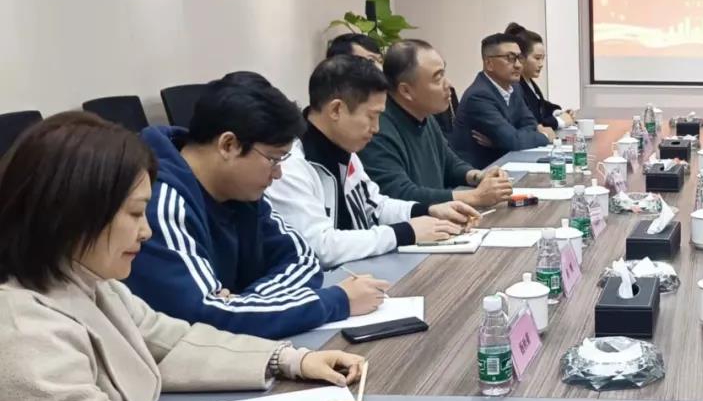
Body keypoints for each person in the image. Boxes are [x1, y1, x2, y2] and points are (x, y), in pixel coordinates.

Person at [0, 113, 374, 401]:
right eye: (134, 213)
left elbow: (171, 343)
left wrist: (289, 359)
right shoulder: (22, 330)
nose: (146, 231)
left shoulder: (90, 283)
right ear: (73, 212)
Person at [126, 72, 389, 340]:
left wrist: (243, 305)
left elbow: (304, 260)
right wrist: (336, 301)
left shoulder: (242, 191)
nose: (278, 174)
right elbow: (203, 320)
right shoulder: (160, 202)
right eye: (273, 159)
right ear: (228, 145)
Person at [266, 55, 479, 269]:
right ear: (336, 110)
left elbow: (375, 206)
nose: (376, 128)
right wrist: (404, 232)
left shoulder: (345, 150)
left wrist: (428, 210)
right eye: (372, 116)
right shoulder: (289, 166)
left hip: (360, 272)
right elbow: (320, 247)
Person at [361, 39, 514, 206]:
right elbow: (400, 194)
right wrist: (474, 197)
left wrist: (478, 176)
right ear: (406, 91)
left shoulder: (424, 115)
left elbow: (449, 163)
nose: (448, 85)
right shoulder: (377, 128)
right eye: (437, 78)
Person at [448, 32, 555, 168]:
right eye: (510, 58)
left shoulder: (515, 87)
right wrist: (545, 136)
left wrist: (502, 141)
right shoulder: (479, 96)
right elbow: (513, 140)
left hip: (506, 163)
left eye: (519, 58)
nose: (518, 65)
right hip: (481, 172)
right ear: (489, 63)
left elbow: (530, 124)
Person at [505, 22, 575, 131]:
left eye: (543, 58)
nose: (541, 64)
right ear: (521, 57)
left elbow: (541, 104)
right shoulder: (515, 85)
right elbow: (533, 121)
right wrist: (560, 121)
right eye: (537, 58)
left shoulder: (528, 81)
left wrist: (558, 112)